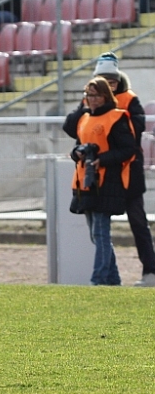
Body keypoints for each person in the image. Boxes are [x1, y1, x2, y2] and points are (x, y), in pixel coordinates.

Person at [66, 55, 155, 286]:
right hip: (102, 176)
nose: (108, 84)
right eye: (103, 80)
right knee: (99, 231)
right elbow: (72, 127)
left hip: (128, 171)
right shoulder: (90, 103)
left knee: (137, 222)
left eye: (111, 81)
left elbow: (133, 135)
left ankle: (150, 271)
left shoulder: (129, 100)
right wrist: (89, 105)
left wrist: (109, 115)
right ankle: (111, 278)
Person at [63, 77, 136, 286]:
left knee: (100, 232)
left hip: (107, 181)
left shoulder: (117, 117)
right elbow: (75, 139)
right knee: (96, 235)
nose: (92, 99)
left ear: (105, 96)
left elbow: (128, 149)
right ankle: (112, 280)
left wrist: (101, 160)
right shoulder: (85, 118)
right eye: (89, 95)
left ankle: (99, 279)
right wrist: (76, 153)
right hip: (85, 182)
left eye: (96, 95)